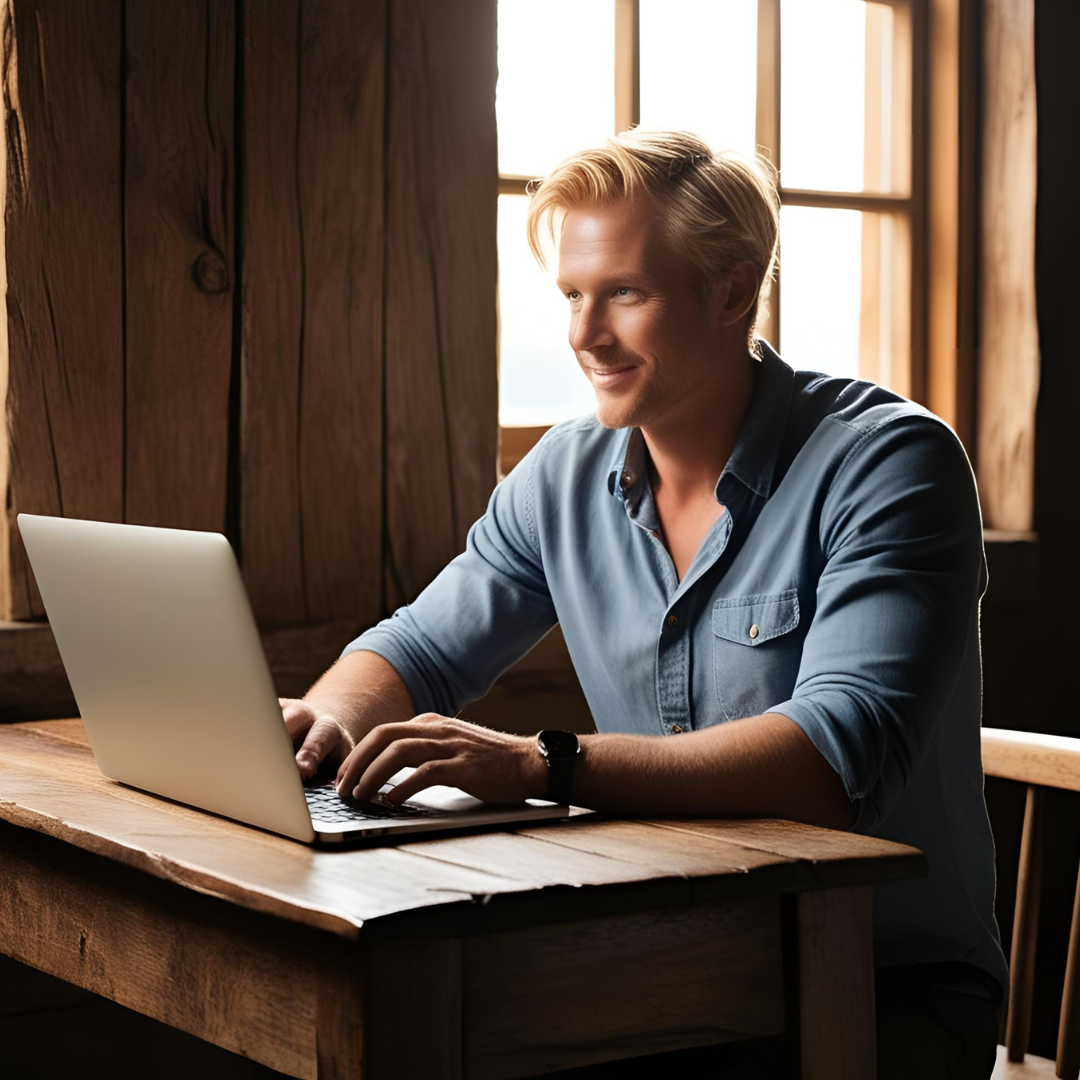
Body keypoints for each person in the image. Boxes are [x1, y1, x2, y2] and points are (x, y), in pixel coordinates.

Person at [279, 130, 1007, 1078]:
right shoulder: (562, 474)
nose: (585, 336)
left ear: (733, 292)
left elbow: (836, 751)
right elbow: (420, 644)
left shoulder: (893, 465)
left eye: (625, 293)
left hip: (884, 985)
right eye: (574, 296)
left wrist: (544, 765)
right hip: (669, 962)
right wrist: (321, 723)